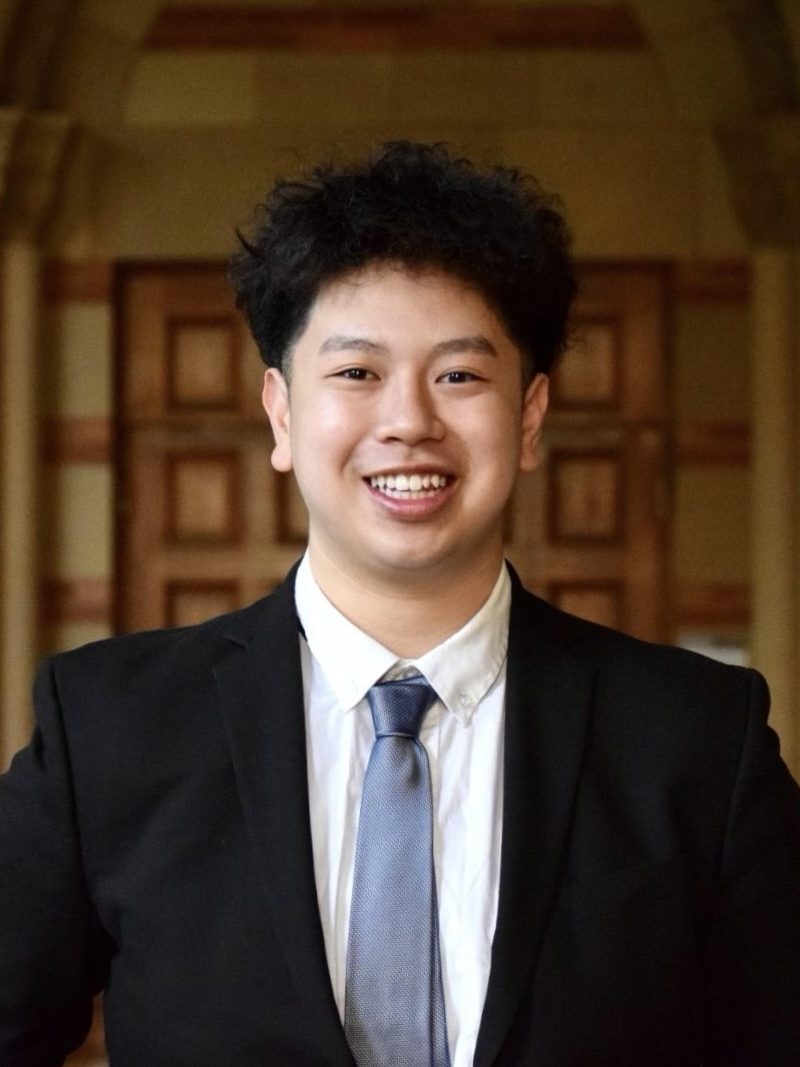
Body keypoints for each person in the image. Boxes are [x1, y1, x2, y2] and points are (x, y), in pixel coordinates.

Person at [1, 141, 799, 1067]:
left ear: (530, 416)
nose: (410, 420)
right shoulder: (111, 728)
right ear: (281, 413)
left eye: (460, 375)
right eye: (357, 373)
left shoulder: (697, 741)